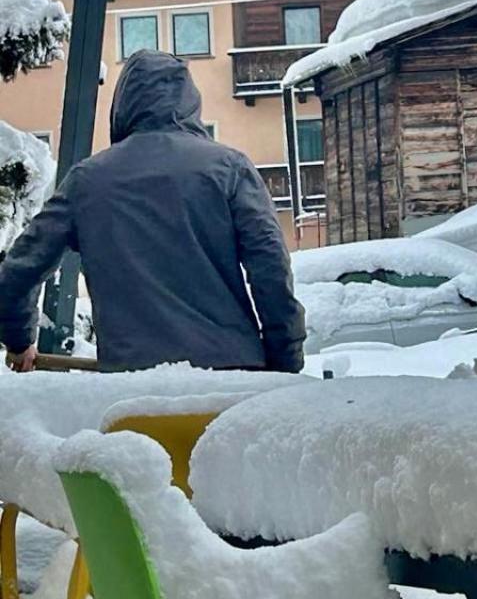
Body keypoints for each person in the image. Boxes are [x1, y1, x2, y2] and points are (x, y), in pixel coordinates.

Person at [0, 48, 306, 373]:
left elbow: (19, 272)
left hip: (133, 383)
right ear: (190, 102)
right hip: (231, 375)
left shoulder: (87, 181)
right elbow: (271, 268)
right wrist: (284, 359)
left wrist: (19, 342)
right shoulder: (230, 169)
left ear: (123, 106)